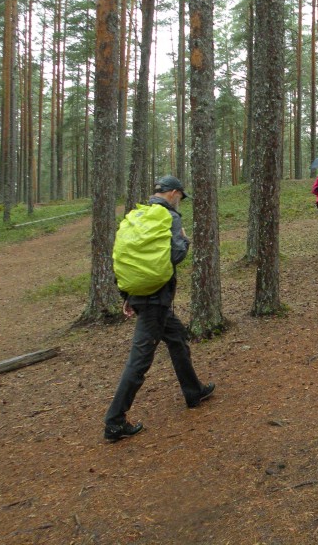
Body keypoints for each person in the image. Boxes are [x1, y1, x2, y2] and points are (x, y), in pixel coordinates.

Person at [104, 175, 214, 442]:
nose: (181, 203)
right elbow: (175, 256)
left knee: (177, 337)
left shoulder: (137, 216)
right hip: (155, 300)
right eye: (181, 197)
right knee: (139, 362)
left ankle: (193, 391)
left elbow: (128, 257)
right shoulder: (169, 218)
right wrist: (185, 241)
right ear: (174, 193)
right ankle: (115, 422)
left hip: (143, 295)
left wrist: (129, 295)